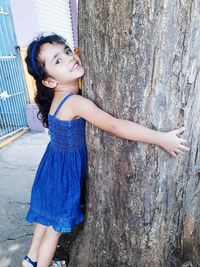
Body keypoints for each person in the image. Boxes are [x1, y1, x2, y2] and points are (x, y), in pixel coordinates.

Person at [22, 33, 189, 267]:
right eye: (57, 61)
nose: (69, 59)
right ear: (49, 81)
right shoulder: (75, 102)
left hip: (51, 167)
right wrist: (160, 138)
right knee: (54, 231)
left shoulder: (60, 99)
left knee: (46, 218)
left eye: (67, 51)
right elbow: (114, 125)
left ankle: (30, 260)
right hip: (62, 176)